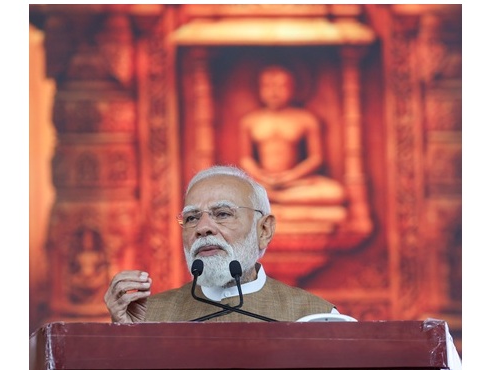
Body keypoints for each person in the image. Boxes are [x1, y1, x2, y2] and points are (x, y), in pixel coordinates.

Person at [104, 165, 339, 323]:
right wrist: (125, 337)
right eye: (192, 218)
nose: (203, 228)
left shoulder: (314, 316)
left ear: (264, 230)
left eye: (223, 214)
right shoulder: (147, 316)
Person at [237, 66, 344, 203]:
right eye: (268, 86)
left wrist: (290, 177)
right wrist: (263, 177)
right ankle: (270, 196)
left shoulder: (306, 119)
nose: (274, 92)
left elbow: (316, 158)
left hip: (295, 183)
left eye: (281, 86)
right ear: (259, 89)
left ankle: (273, 198)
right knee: (228, 190)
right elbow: (246, 159)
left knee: (335, 192)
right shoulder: (250, 121)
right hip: (262, 181)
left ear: (294, 89)